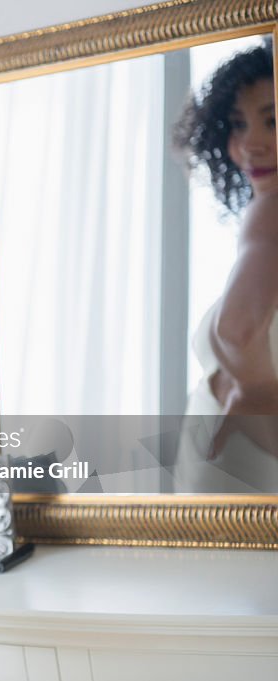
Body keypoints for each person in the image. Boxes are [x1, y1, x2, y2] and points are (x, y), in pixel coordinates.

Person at [172, 39, 278, 493]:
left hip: (236, 465)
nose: (249, 143)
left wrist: (248, 398)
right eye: (238, 124)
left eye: (272, 121)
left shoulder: (270, 211)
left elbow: (237, 332)